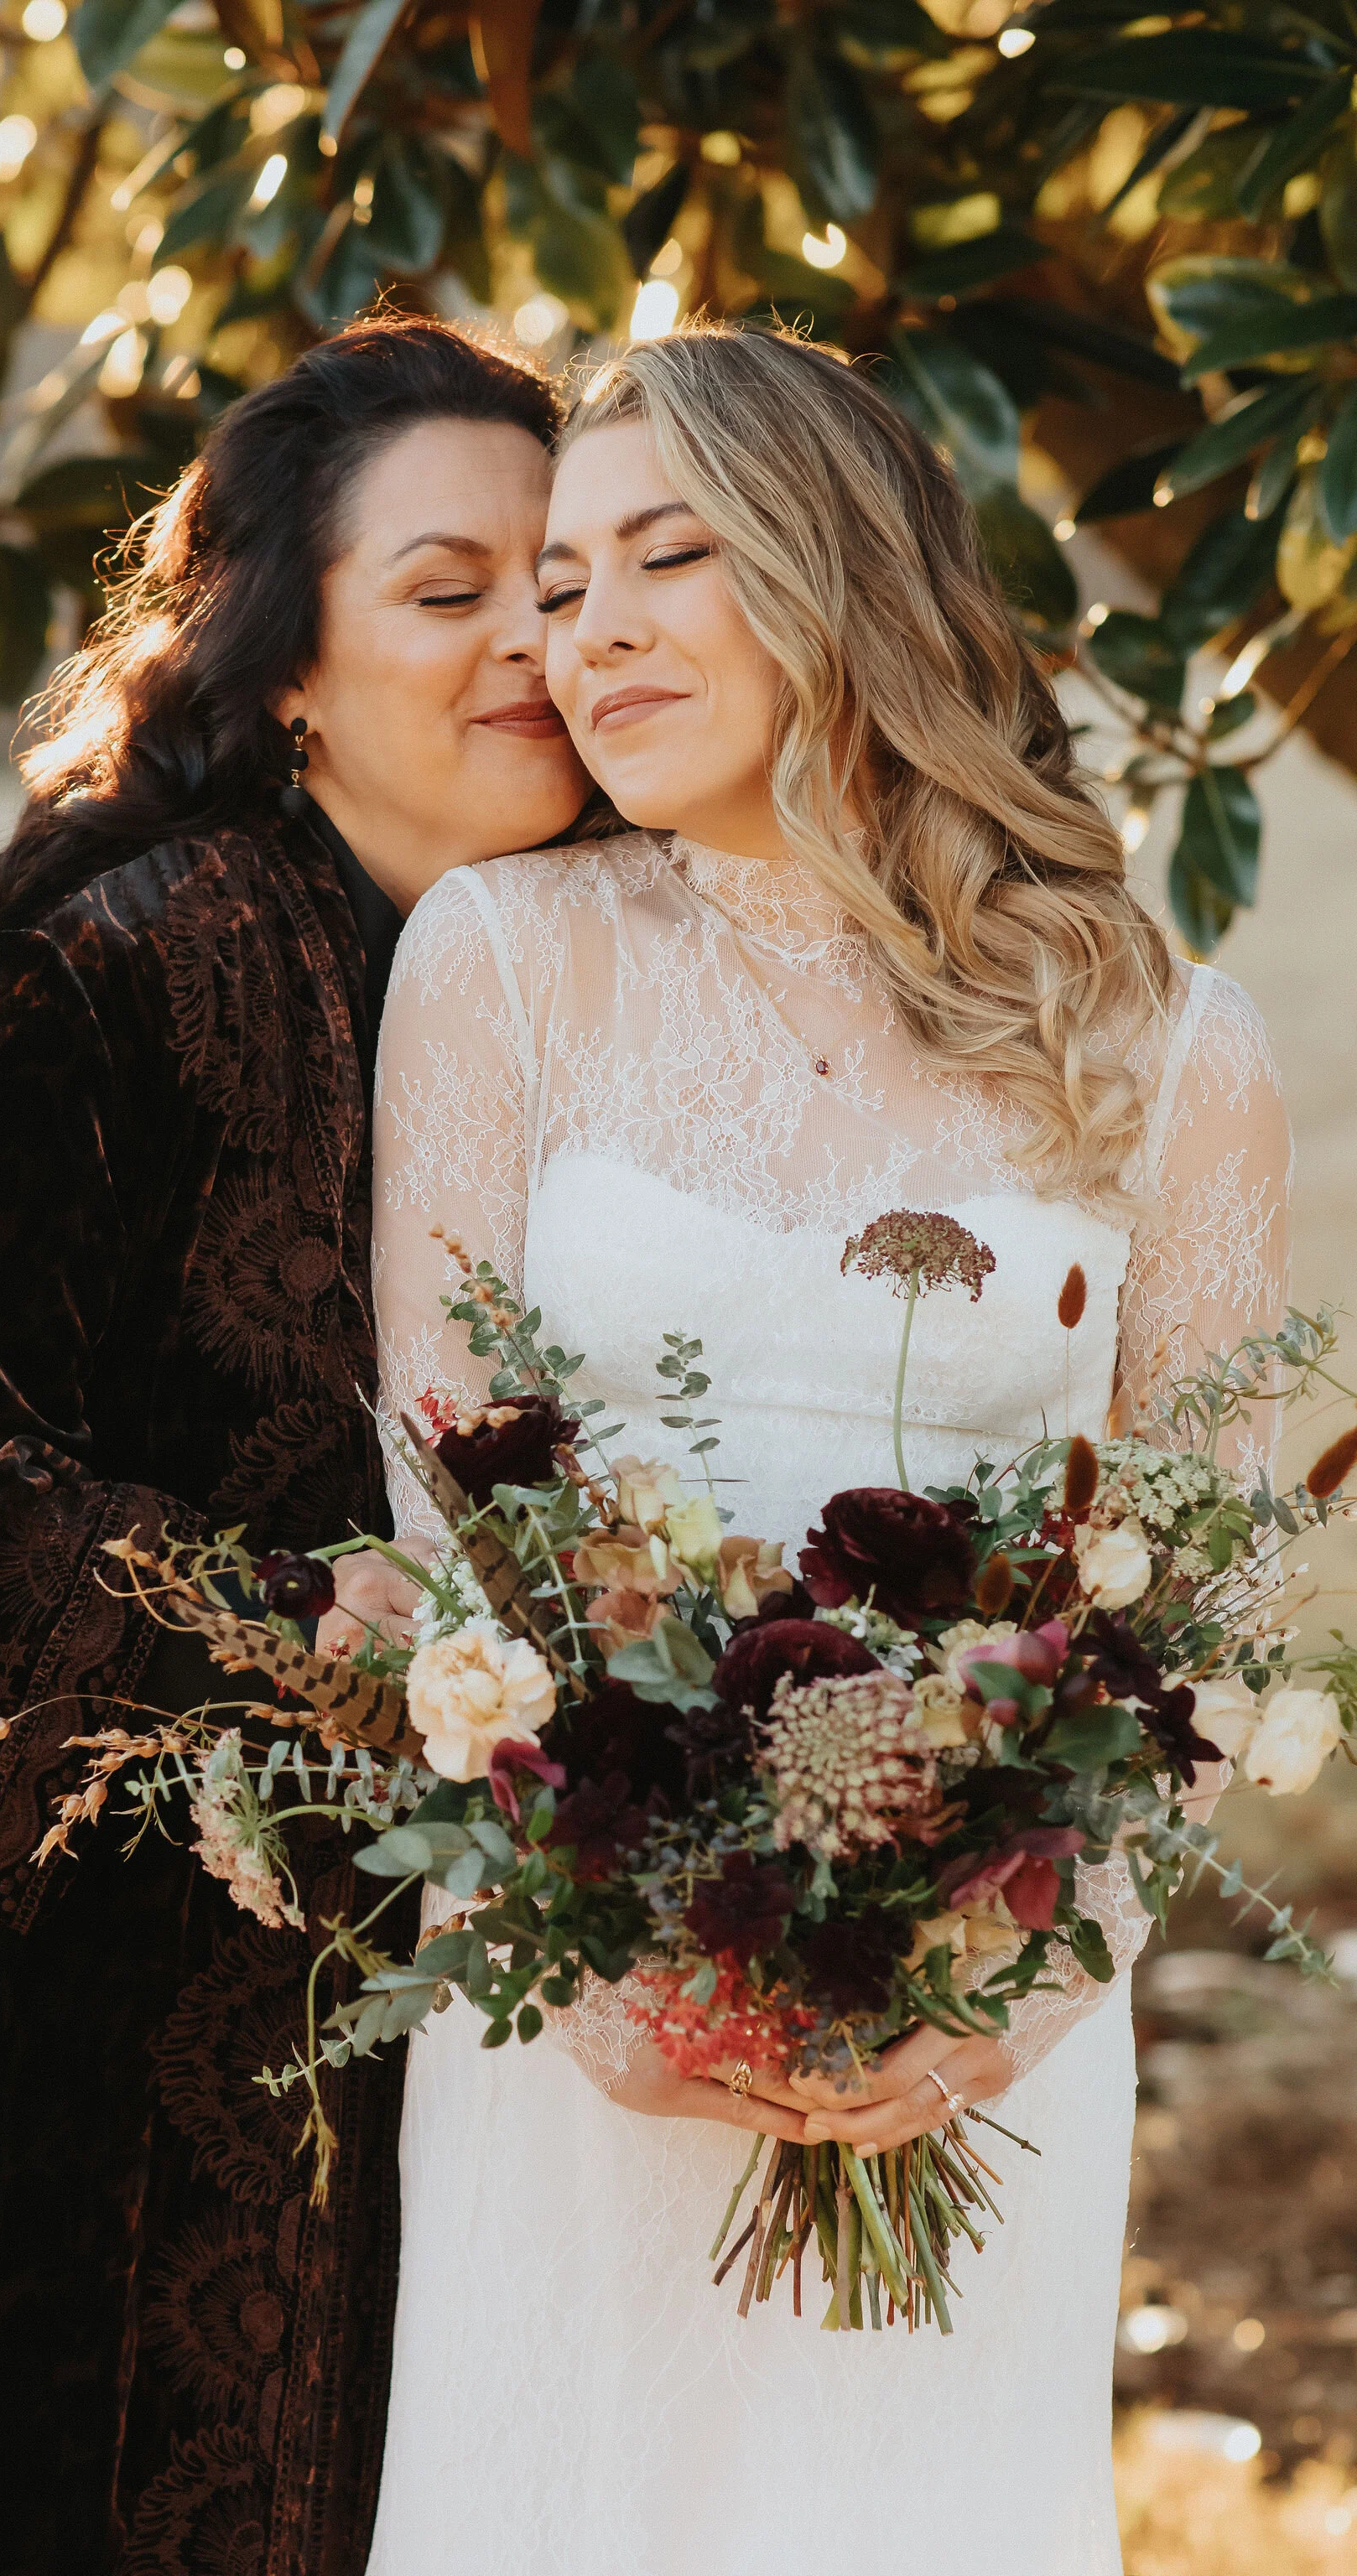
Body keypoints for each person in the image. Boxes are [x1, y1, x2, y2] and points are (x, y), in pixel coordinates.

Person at [0, 314, 586, 2576]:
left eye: (563, 588)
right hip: (31, 2070)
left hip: (442, 2014)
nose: (531, 645)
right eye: (447, 592)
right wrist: (275, 1628)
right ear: (282, 664)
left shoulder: (593, 1003)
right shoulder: (86, 986)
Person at [362, 324, 1290, 2574]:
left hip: (976, 2009)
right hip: (585, 2016)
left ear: (842, 570)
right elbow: (443, 1504)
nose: (588, 635)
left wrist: (1023, 1997)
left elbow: (1221, 1578)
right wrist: (594, 1972)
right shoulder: (498, 962)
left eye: (664, 557)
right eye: (557, 587)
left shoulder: (1156, 1038)